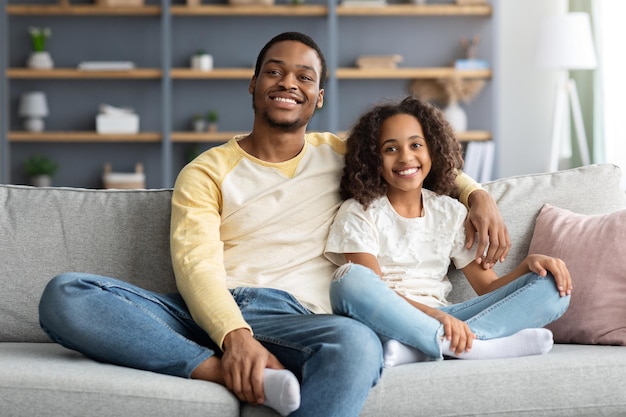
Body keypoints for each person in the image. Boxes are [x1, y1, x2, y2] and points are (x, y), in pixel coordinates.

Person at [39, 33, 510, 417]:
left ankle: (243, 365)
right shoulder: (206, 171)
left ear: (319, 96)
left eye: (304, 76)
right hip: (214, 310)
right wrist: (233, 338)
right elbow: (196, 266)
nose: (289, 82)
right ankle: (220, 370)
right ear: (253, 85)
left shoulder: (340, 152)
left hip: (303, 319)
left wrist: (477, 194)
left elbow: (412, 161)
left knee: (357, 343)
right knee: (66, 294)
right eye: (275, 71)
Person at [325, 96, 572, 367]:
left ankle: (444, 344)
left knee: (552, 287)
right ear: (374, 159)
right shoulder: (358, 211)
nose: (406, 157)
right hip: (388, 319)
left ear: (433, 150)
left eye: (416, 145)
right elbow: (372, 289)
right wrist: (437, 317)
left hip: (452, 316)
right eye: (390, 149)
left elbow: (488, 287)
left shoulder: (450, 212)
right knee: (348, 280)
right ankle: (464, 343)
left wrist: (527, 266)